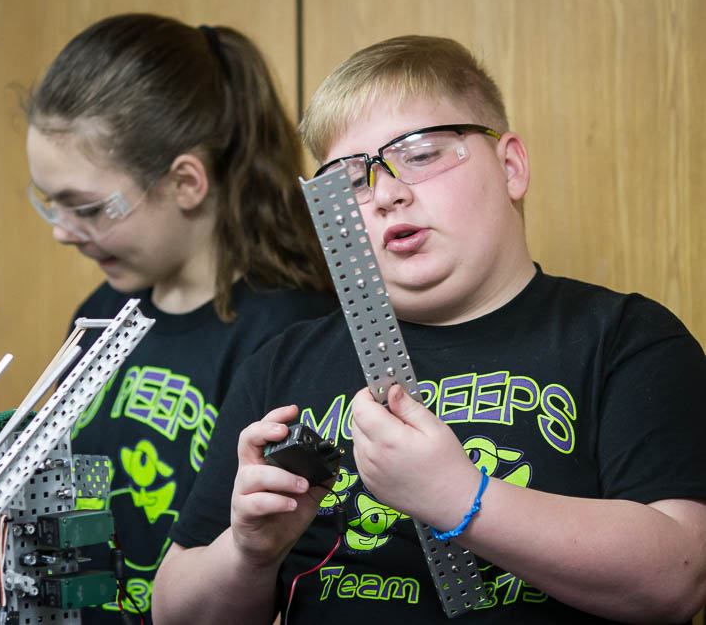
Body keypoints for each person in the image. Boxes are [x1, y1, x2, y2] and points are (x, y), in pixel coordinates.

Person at [152, 35, 706, 624]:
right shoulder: (281, 364)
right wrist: (249, 552)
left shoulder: (626, 339)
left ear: (511, 166)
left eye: (419, 154)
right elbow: (174, 613)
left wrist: (460, 499)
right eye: (350, 179)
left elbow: (679, 577)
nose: (387, 193)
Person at [24, 13, 336, 624]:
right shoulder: (99, 316)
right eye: (49, 204)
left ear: (186, 182)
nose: (62, 234)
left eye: (87, 207)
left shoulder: (294, 336)